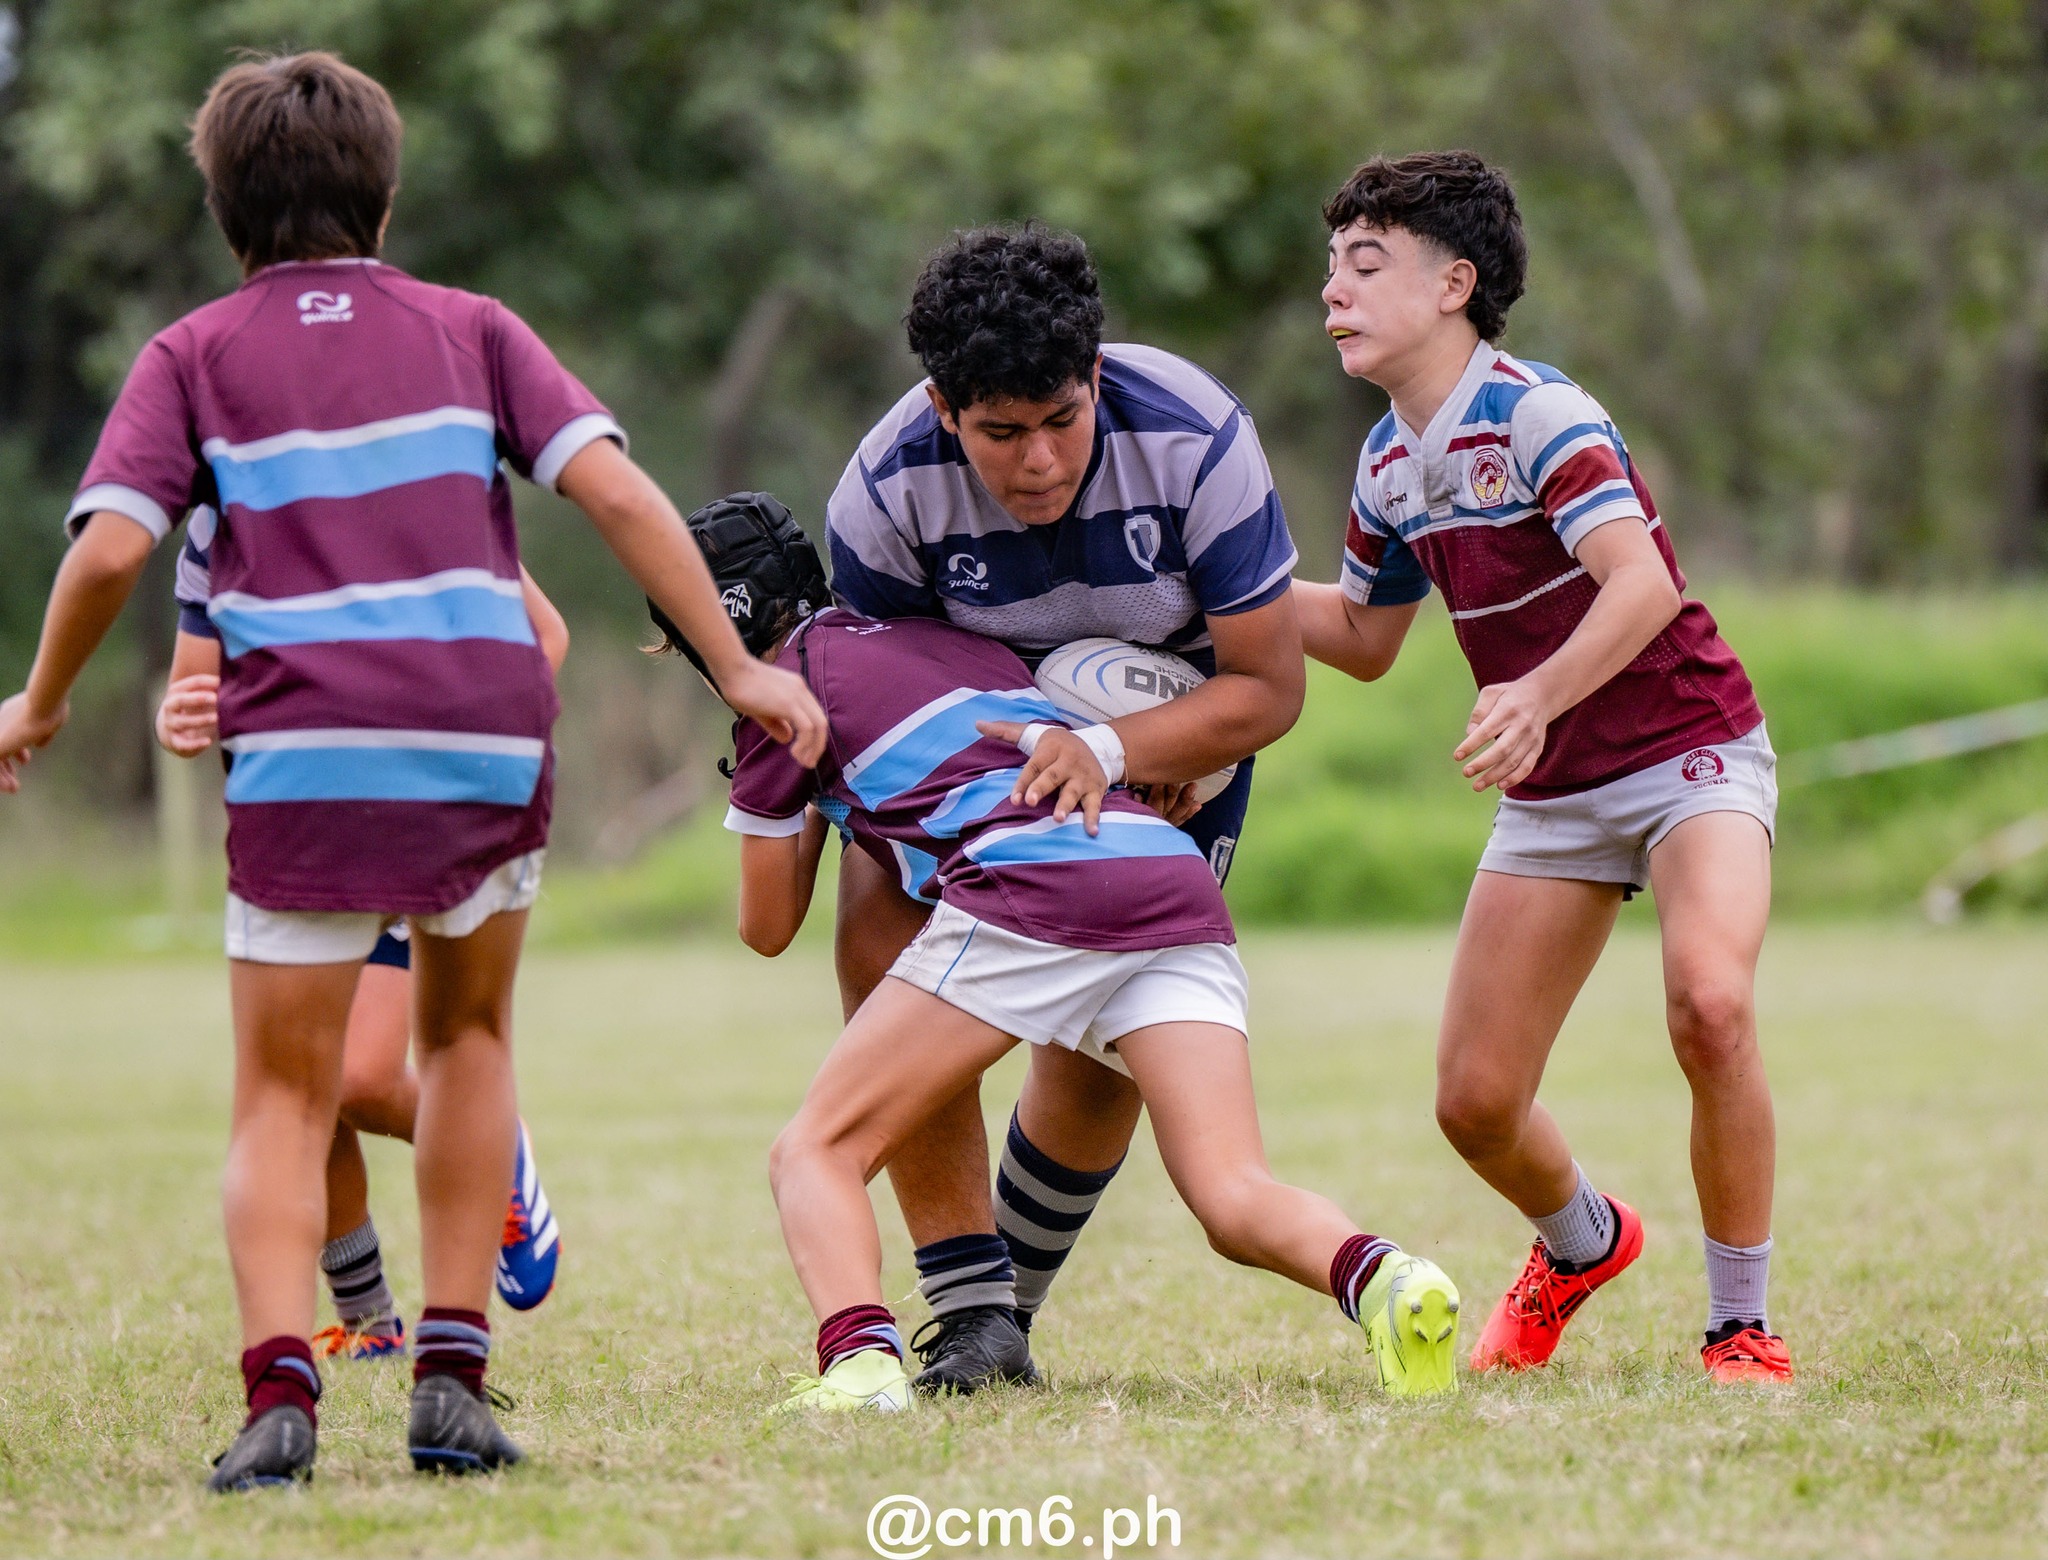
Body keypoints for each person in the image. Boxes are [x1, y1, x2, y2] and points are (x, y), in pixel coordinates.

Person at [0, 51, 826, 1490]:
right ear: (384, 198)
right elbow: (618, 490)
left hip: (309, 751)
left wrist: (40, 701)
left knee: (279, 1091)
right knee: (468, 1046)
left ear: (223, 209)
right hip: (481, 730)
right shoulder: (475, 329)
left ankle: (280, 1408)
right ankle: (451, 1386)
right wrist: (743, 668)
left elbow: (117, 546)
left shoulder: (191, 356)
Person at [657, 493, 1459, 1411]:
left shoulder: (782, 699)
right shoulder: (946, 638)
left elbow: (766, 927)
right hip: (1168, 876)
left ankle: (860, 1368)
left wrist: (790, 784)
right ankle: (1390, 1280)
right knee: (1232, 1193)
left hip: (1033, 886)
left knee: (816, 1151)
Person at [1295, 150, 1791, 1384]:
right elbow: (1361, 640)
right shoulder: (1383, 462)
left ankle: (1739, 1326)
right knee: (1471, 1103)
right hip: (1553, 790)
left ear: (1454, 282)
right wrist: (1216, 599)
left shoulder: (1533, 412)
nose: (1331, 293)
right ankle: (1579, 1245)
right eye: (1329, 269)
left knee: (1710, 1004)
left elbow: (1641, 583)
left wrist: (1530, 693)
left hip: (1687, 747)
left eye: (1364, 267)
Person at [822, 224, 1306, 1392]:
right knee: (877, 944)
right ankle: (963, 1296)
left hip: (1173, 748)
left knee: (1101, 1049)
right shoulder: (882, 498)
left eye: (1061, 420)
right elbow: (881, 707)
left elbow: (1269, 688)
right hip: (973, 760)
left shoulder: (1196, 440)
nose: (1037, 460)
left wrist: (1114, 745)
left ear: (1093, 377)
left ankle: (1003, 1318)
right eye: (999, 433)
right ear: (942, 408)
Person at [154, 513, 571, 1357]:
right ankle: (371, 1321)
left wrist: (450, 752)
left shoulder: (413, 477)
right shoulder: (215, 519)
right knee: (299, 1079)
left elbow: (545, 636)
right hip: (295, 831)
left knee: (357, 1077)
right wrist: (185, 718)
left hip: (415, 814)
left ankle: (492, 1138)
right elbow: (193, 683)